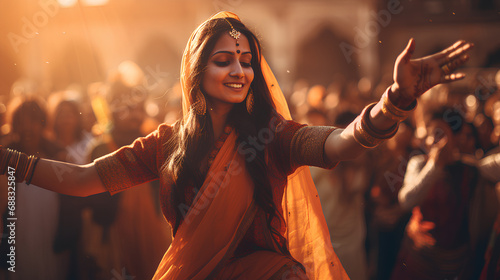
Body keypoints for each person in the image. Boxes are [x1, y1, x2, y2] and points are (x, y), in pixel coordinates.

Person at [0, 11, 472, 279]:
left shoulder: (272, 137)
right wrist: (8, 161)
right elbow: (81, 180)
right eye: (224, 60)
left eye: (246, 60)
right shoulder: (166, 145)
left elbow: (338, 146)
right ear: (196, 72)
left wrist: (395, 101)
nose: (239, 71)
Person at [393, 109, 499, 279]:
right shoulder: (419, 164)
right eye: (431, 134)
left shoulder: (469, 169)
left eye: (440, 133)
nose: (434, 140)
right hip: (417, 257)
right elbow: (406, 201)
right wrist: (435, 165)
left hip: (453, 264)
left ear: (455, 139)